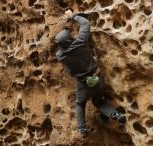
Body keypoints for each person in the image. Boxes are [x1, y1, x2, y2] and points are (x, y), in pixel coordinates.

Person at [54, 9, 125, 138]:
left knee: (80, 104)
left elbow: (61, 52)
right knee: (98, 101)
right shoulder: (81, 41)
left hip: (84, 84)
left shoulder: (61, 56)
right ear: (70, 37)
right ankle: (116, 115)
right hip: (98, 78)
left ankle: (82, 130)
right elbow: (85, 23)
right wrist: (72, 16)